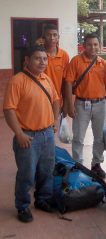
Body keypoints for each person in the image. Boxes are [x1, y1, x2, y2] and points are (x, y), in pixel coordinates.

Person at [3, 45, 60, 222]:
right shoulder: (17, 81)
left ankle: (42, 200)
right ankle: (22, 206)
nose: (42, 62)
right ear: (26, 60)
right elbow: (9, 110)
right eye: (37, 58)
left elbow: (56, 100)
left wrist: (54, 121)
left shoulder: (47, 79)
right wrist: (18, 133)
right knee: (26, 174)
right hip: (27, 136)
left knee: (46, 170)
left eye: (44, 59)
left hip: (47, 135)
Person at [64, 33, 106, 179]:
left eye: (95, 44)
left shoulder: (103, 63)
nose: (93, 47)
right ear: (84, 46)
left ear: (99, 46)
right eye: (89, 44)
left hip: (100, 104)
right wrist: (69, 105)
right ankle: (78, 165)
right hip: (81, 104)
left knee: (99, 137)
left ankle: (96, 164)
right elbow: (68, 83)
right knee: (78, 137)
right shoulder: (76, 61)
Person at [41, 24, 70, 110]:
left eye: (54, 35)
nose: (52, 38)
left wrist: (65, 104)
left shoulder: (64, 55)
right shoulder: (38, 54)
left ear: (58, 37)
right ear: (43, 37)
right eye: (48, 35)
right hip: (40, 100)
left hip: (57, 101)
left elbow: (65, 81)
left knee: (56, 122)